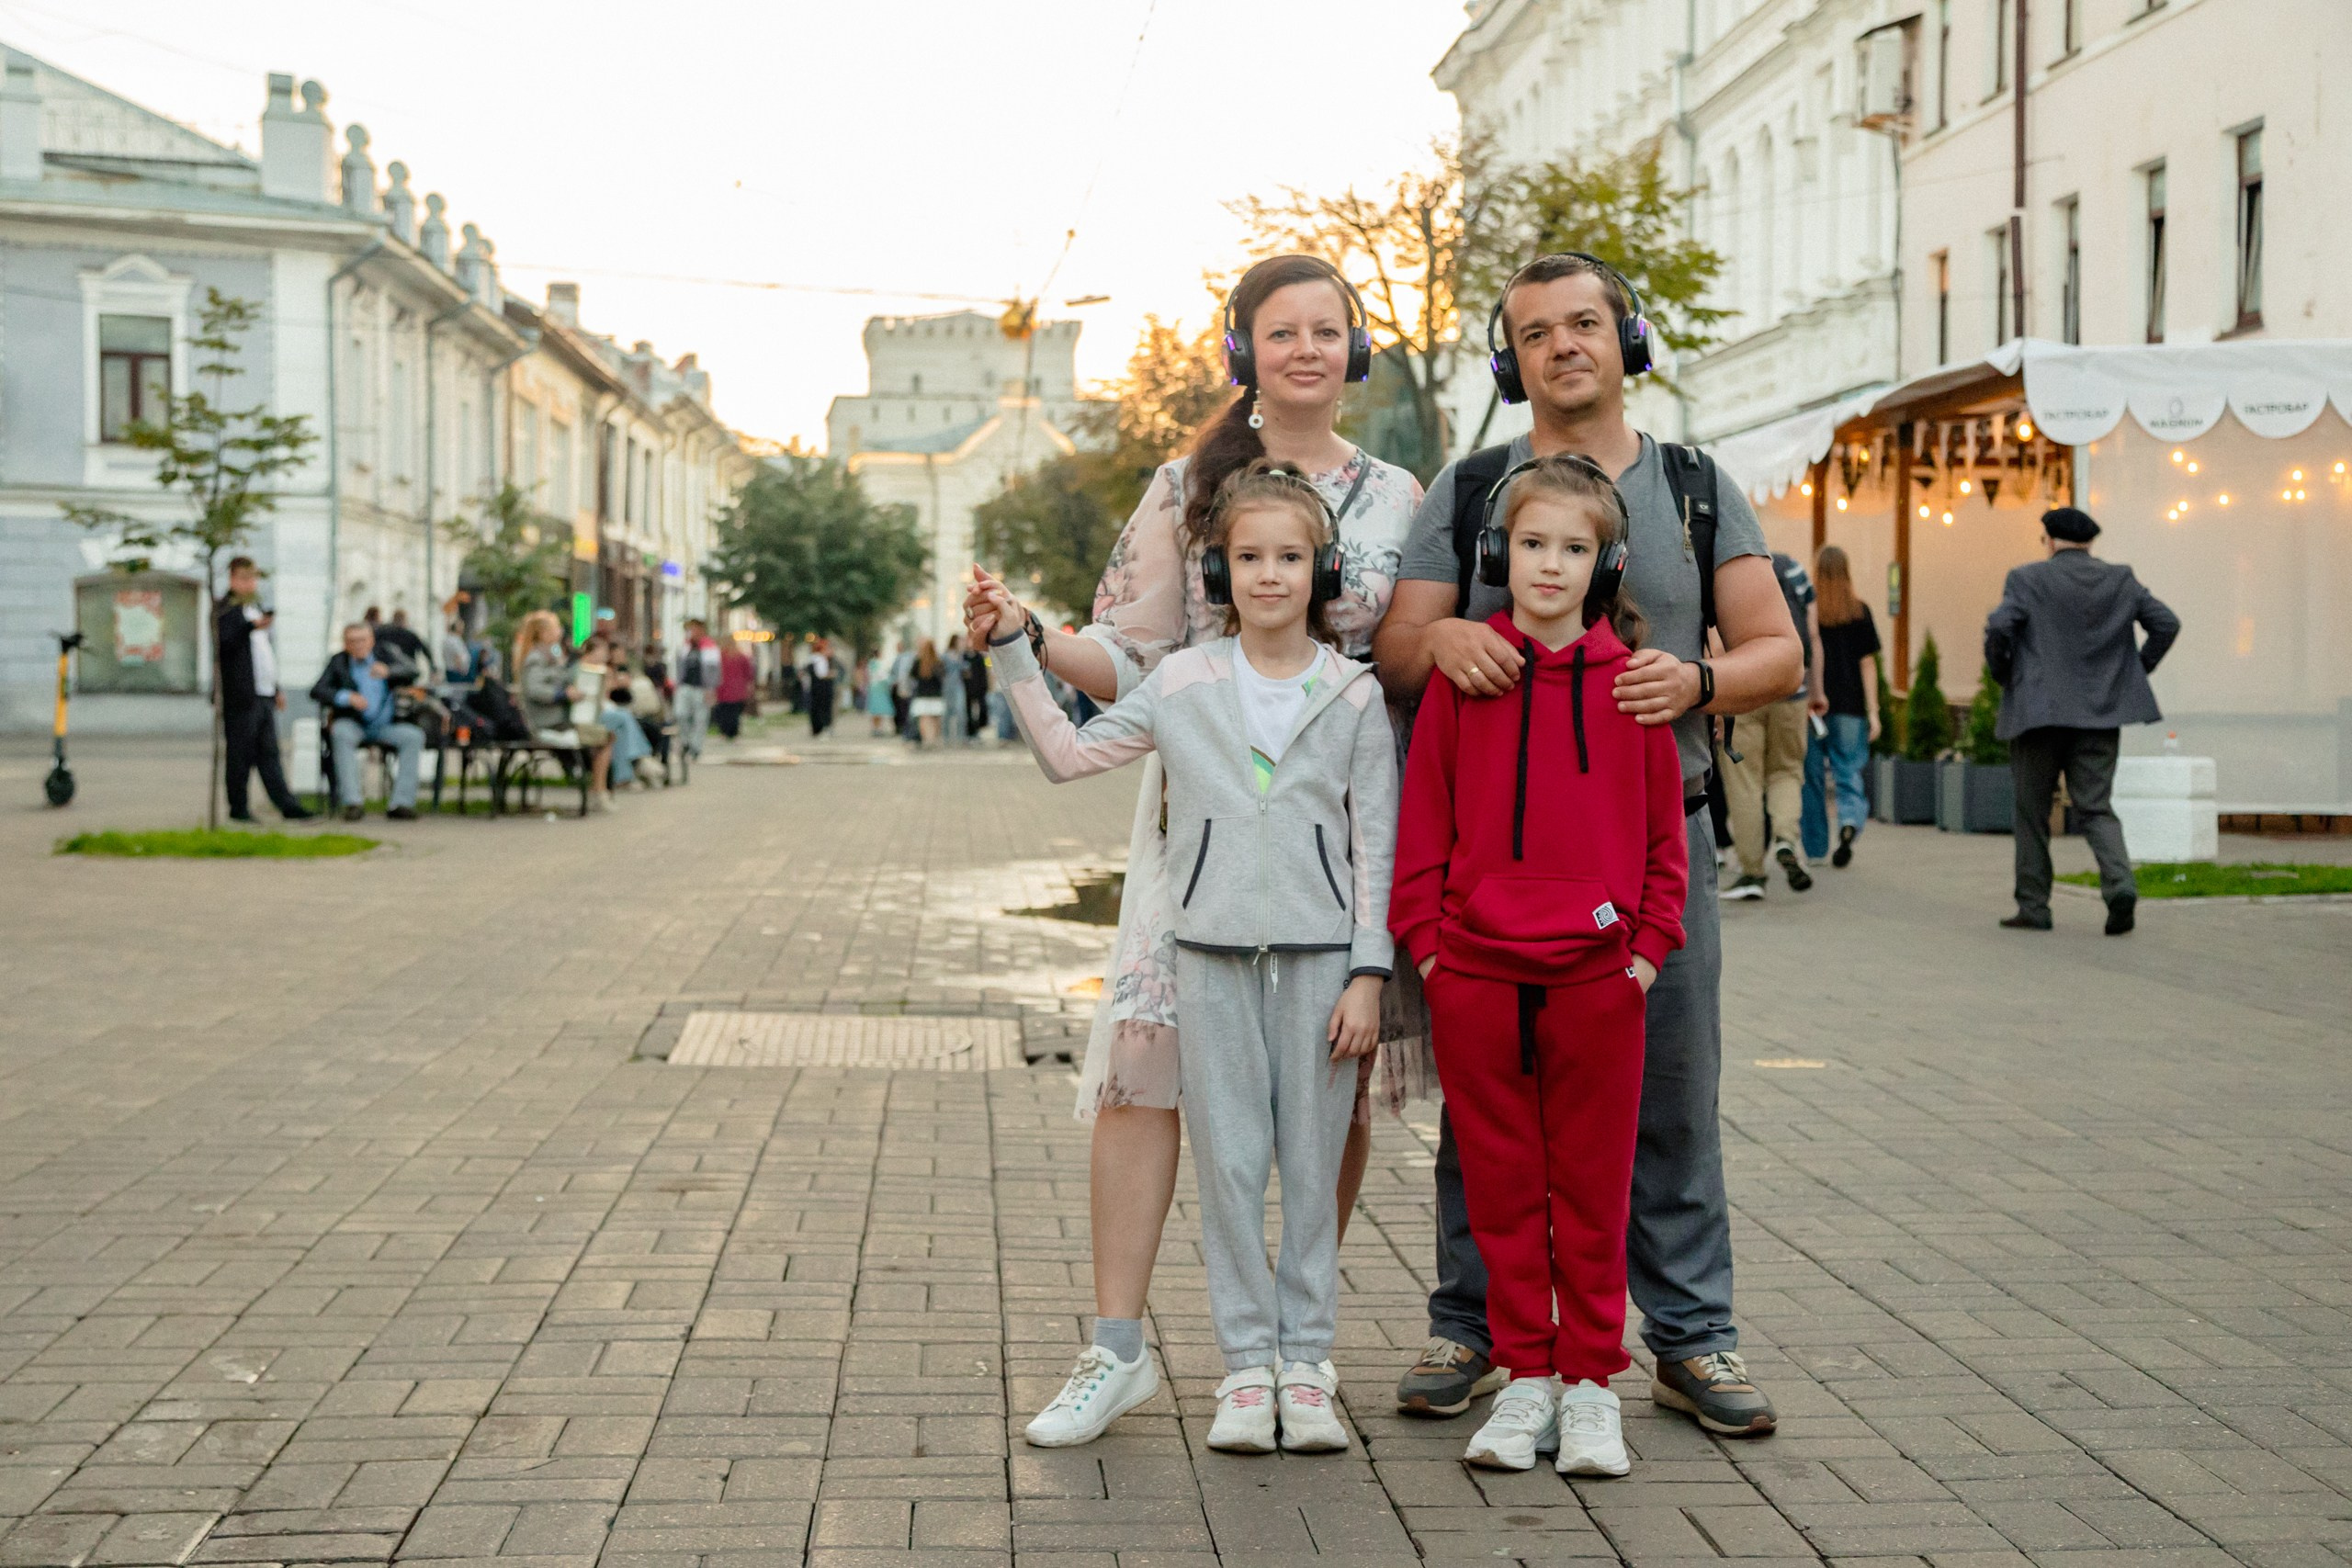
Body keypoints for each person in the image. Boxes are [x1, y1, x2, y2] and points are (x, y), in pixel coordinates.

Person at [962, 255, 1424, 1449]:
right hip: (1196, 832)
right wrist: (1027, 638)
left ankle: (1291, 1351)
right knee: (1144, 1070)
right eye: (1284, 331)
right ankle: (1117, 1345)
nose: (1309, 349)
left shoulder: (1399, 497)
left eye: (1331, 329)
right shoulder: (1186, 485)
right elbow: (1131, 652)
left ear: (1357, 348)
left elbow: (1410, 659)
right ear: (1245, 349)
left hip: (1329, 831)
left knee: (1330, 1089)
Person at [1373, 252, 1802, 1435]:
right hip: (1494, 874)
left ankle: (1693, 1340)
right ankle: (1470, 1325)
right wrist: (1449, 641)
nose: (1564, 345)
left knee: (1668, 1095)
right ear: (1510, 364)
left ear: (1628, 338)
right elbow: (1398, 651)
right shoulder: (1466, 493)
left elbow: (1778, 654)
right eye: (1536, 333)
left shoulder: (1694, 485)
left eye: (1585, 323)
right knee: (1487, 1105)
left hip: (1649, 860)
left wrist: (1699, 678)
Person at [1393, 454, 1688, 1476]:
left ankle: (1591, 1386)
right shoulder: (1465, 680)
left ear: (1604, 563)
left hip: (1598, 983)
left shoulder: (1633, 687)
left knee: (1595, 1188)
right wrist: (1430, 950)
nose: (1549, 565)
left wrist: (1645, 955)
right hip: (1475, 974)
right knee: (1504, 1186)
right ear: (1496, 553)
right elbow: (1422, 823)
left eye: (1572, 548)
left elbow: (1664, 845)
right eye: (1530, 544)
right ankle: (1523, 1380)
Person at [1984, 505, 2179, 936]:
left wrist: (2007, 676)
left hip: (2038, 714)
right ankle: (2120, 886)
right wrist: (2132, 671)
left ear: (2050, 541)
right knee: (2095, 807)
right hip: (2100, 713)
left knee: (2032, 811)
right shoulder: (2120, 579)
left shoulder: (2027, 578)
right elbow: (2166, 624)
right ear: (2090, 542)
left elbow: (2000, 629)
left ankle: (2034, 907)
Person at [1717, 551, 1824, 899]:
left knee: (1744, 780)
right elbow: (1812, 636)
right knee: (1787, 772)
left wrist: (1716, 697)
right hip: (1793, 689)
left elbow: (1716, 635)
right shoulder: (1793, 570)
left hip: (1745, 689)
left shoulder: (1730, 566)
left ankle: (1752, 873)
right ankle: (1785, 838)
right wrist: (1816, 691)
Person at [214, 556, 312, 822]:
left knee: (269, 753)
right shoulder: (225, 609)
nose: (250, 583)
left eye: (253, 577)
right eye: (244, 578)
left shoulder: (255, 607)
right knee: (240, 755)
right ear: (232, 579)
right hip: (241, 695)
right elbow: (224, 643)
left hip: (265, 692)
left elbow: (263, 653)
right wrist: (249, 627)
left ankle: (287, 805)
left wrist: (276, 687)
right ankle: (239, 808)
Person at [1802, 547, 1881, 868]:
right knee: (1848, 771)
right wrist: (1874, 711)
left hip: (1813, 705)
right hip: (1850, 707)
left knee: (1813, 777)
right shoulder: (1860, 611)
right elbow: (1867, 665)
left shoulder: (1810, 611)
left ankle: (1817, 848)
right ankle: (1849, 823)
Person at [311, 622, 426, 821]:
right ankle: (352, 803)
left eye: (362, 640)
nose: (358, 645)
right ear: (345, 644)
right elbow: (317, 690)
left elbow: (413, 671)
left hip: (385, 725)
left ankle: (401, 803)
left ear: (371, 640)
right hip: (353, 724)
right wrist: (346, 697)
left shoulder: (385, 655)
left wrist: (390, 671)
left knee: (414, 736)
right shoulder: (338, 662)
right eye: (352, 641)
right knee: (340, 732)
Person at [514, 611, 614, 809]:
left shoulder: (549, 654)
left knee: (605, 735)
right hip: (548, 723)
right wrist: (563, 695)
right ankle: (598, 792)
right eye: (555, 628)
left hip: (555, 720)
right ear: (543, 633)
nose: (560, 631)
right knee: (605, 737)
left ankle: (598, 790)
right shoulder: (536, 657)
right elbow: (534, 689)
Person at [674, 620, 718, 759]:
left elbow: (714, 671)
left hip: (702, 688)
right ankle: (685, 740)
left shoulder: (710, 647)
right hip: (685, 686)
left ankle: (696, 746)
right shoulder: (684, 646)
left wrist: (711, 689)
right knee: (681, 714)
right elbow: (677, 666)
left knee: (700, 718)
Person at [713, 637, 755, 739]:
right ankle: (733, 732)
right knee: (734, 712)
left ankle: (724, 732)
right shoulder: (741, 657)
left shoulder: (720, 657)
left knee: (724, 711)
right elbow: (749, 673)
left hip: (724, 688)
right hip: (737, 689)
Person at [910, 638, 946, 746]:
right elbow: (943, 677)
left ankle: (927, 739)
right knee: (935, 719)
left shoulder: (918, 662)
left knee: (924, 719)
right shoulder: (938, 662)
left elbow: (912, 675)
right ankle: (933, 739)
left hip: (922, 695)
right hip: (936, 695)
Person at [806, 637, 837, 737]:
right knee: (823, 708)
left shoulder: (814, 658)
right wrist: (831, 674)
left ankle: (818, 728)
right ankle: (823, 727)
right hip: (822, 688)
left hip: (816, 688)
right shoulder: (820, 659)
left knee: (817, 708)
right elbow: (821, 674)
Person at [942, 634, 970, 744]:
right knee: (947, 712)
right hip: (947, 685)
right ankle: (946, 737)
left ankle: (961, 736)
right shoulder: (945, 655)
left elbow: (966, 670)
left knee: (960, 711)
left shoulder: (962, 655)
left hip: (958, 685)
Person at [865, 649, 895, 737]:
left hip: (873, 688)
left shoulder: (870, 663)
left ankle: (875, 728)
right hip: (880, 688)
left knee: (875, 710)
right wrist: (891, 681)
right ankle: (878, 729)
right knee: (880, 709)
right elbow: (882, 676)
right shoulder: (879, 663)